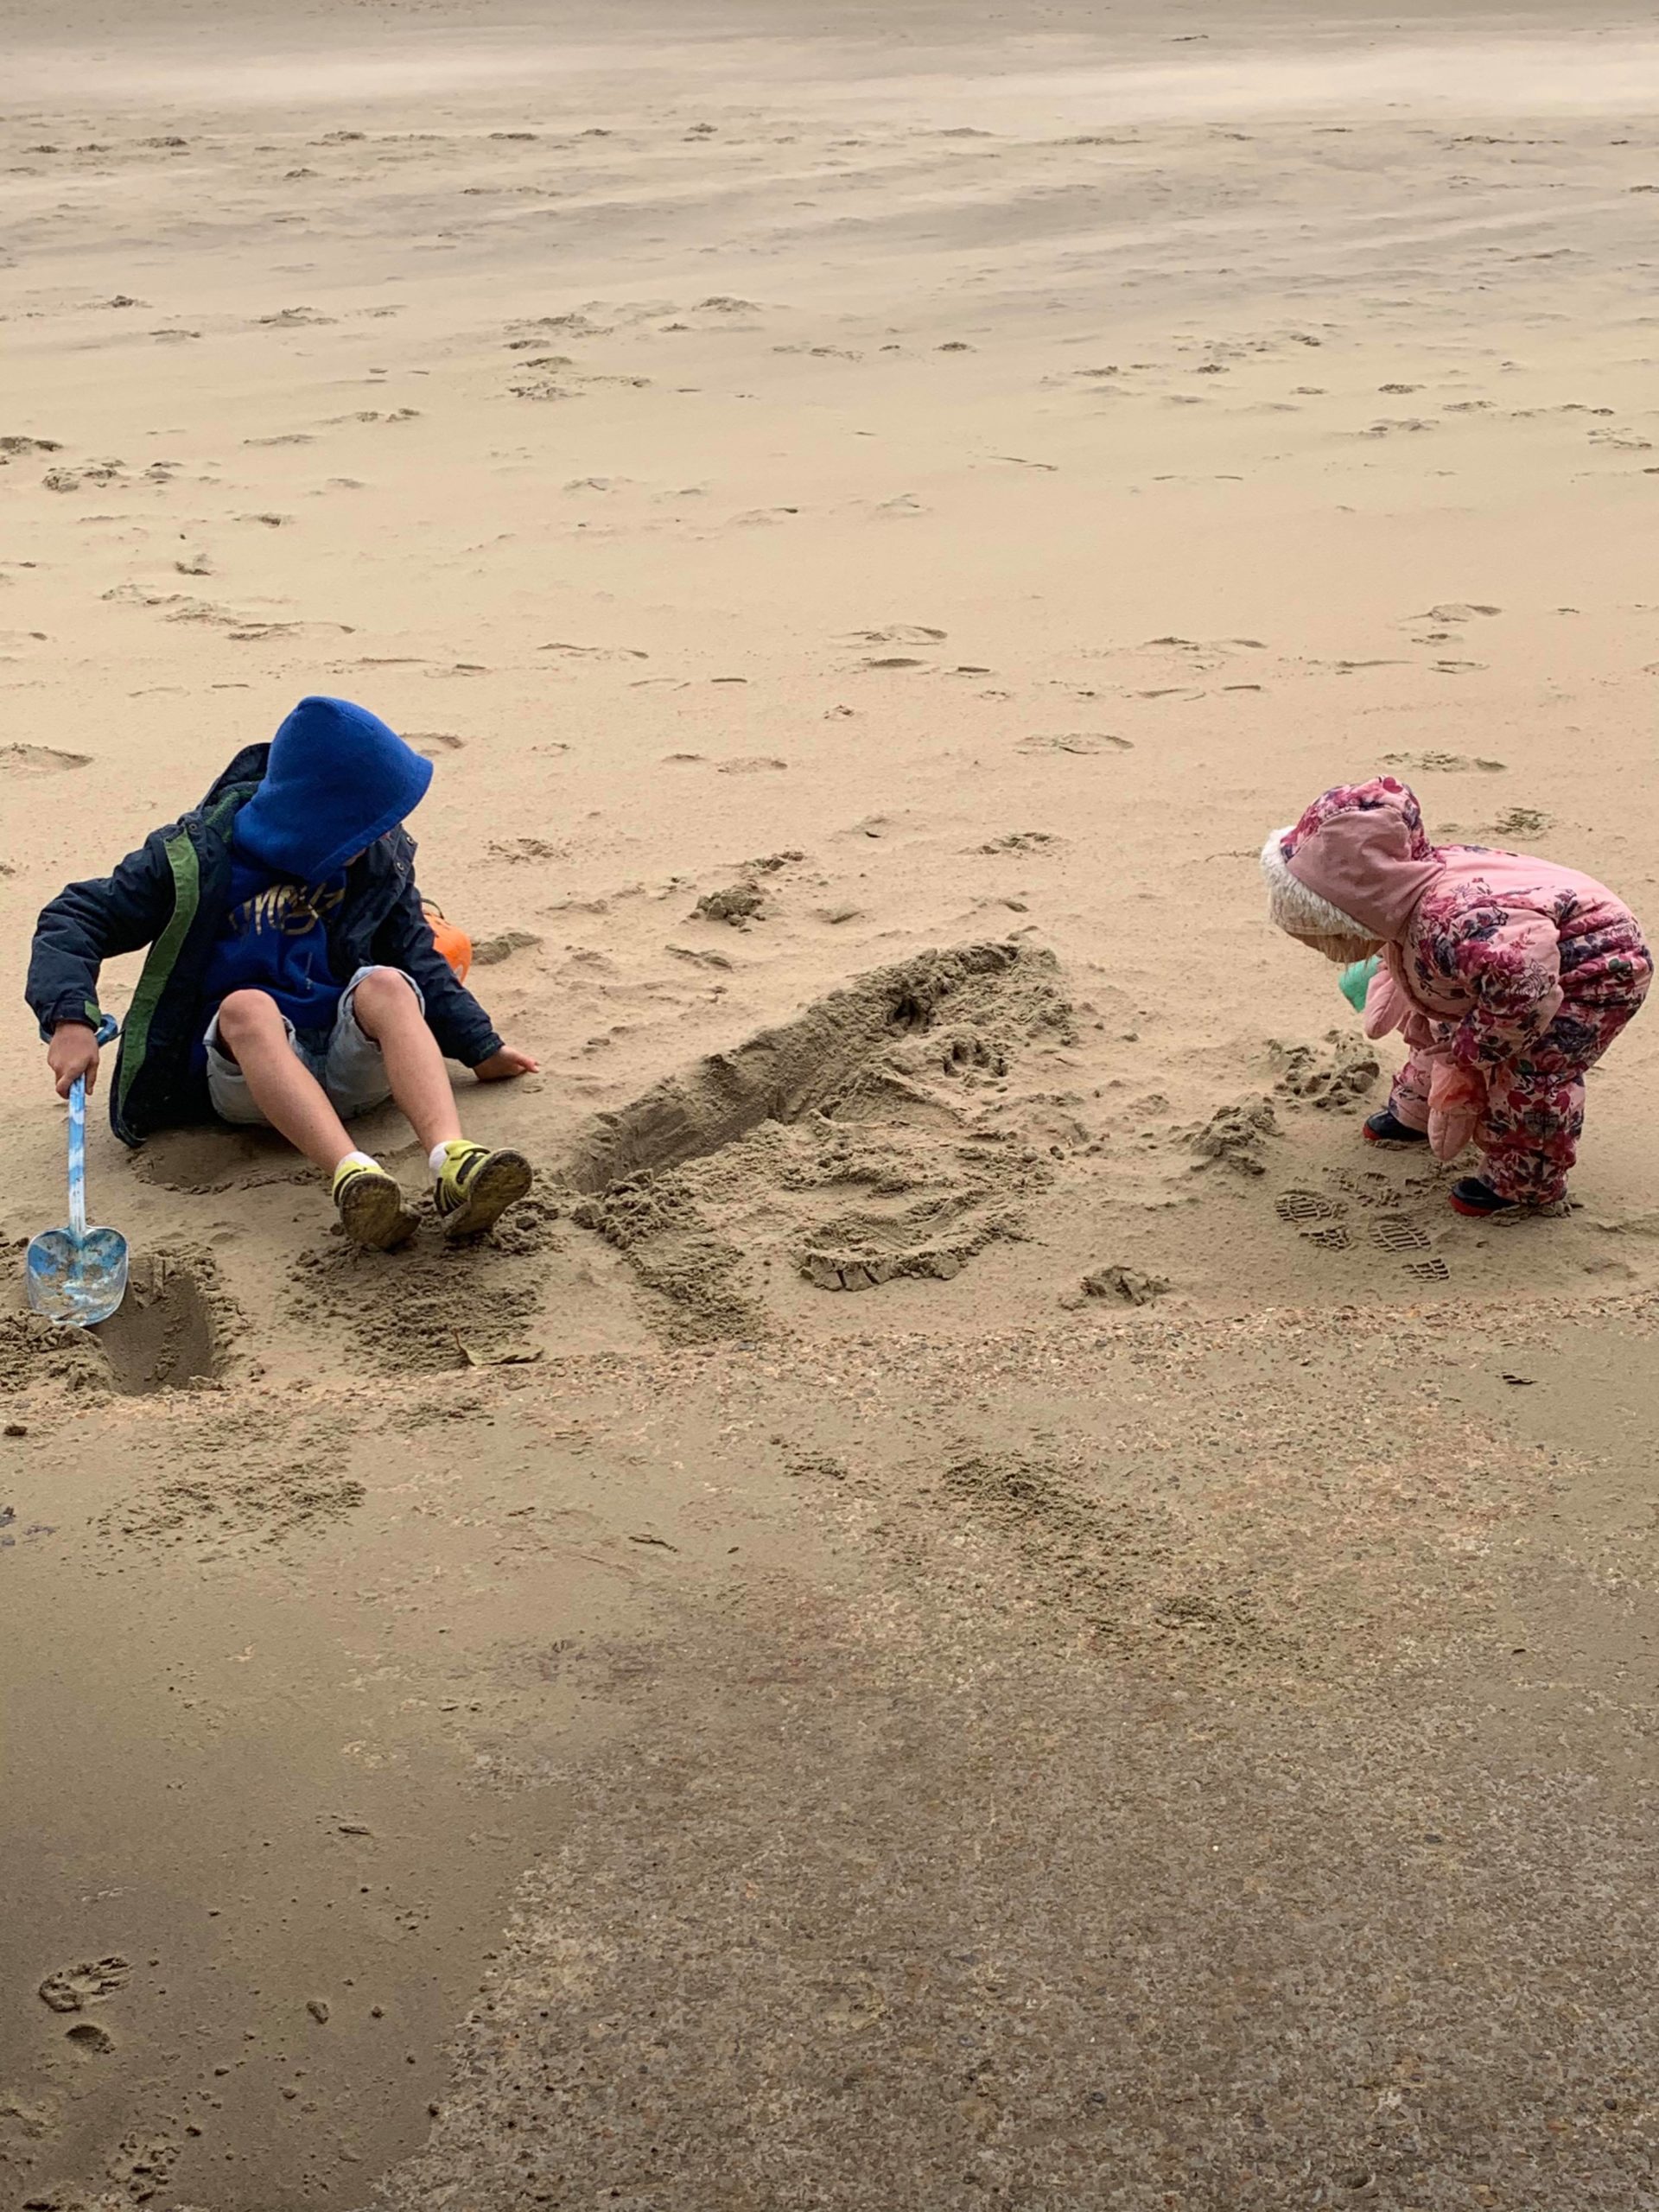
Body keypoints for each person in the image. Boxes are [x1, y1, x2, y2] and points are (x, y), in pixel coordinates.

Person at [27, 695, 538, 1250]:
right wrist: (70, 1020)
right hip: (250, 1077)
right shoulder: (196, 858)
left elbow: (416, 953)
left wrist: (480, 1045)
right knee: (247, 1005)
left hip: (350, 1061)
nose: (380, 835)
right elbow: (75, 917)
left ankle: (451, 1160)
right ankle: (353, 1176)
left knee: (390, 983)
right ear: (317, 817)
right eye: (365, 825)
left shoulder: (372, 861)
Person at [1262, 775, 1650, 1216]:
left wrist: (1475, 1049)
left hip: (1596, 968)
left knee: (1531, 1070)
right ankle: (1420, 1106)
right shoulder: (1405, 895)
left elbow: (1527, 992)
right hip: (1509, 965)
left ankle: (1525, 1180)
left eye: (1331, 936)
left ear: (1358, 909)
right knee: (1436, 1020)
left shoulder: (1453, 923)